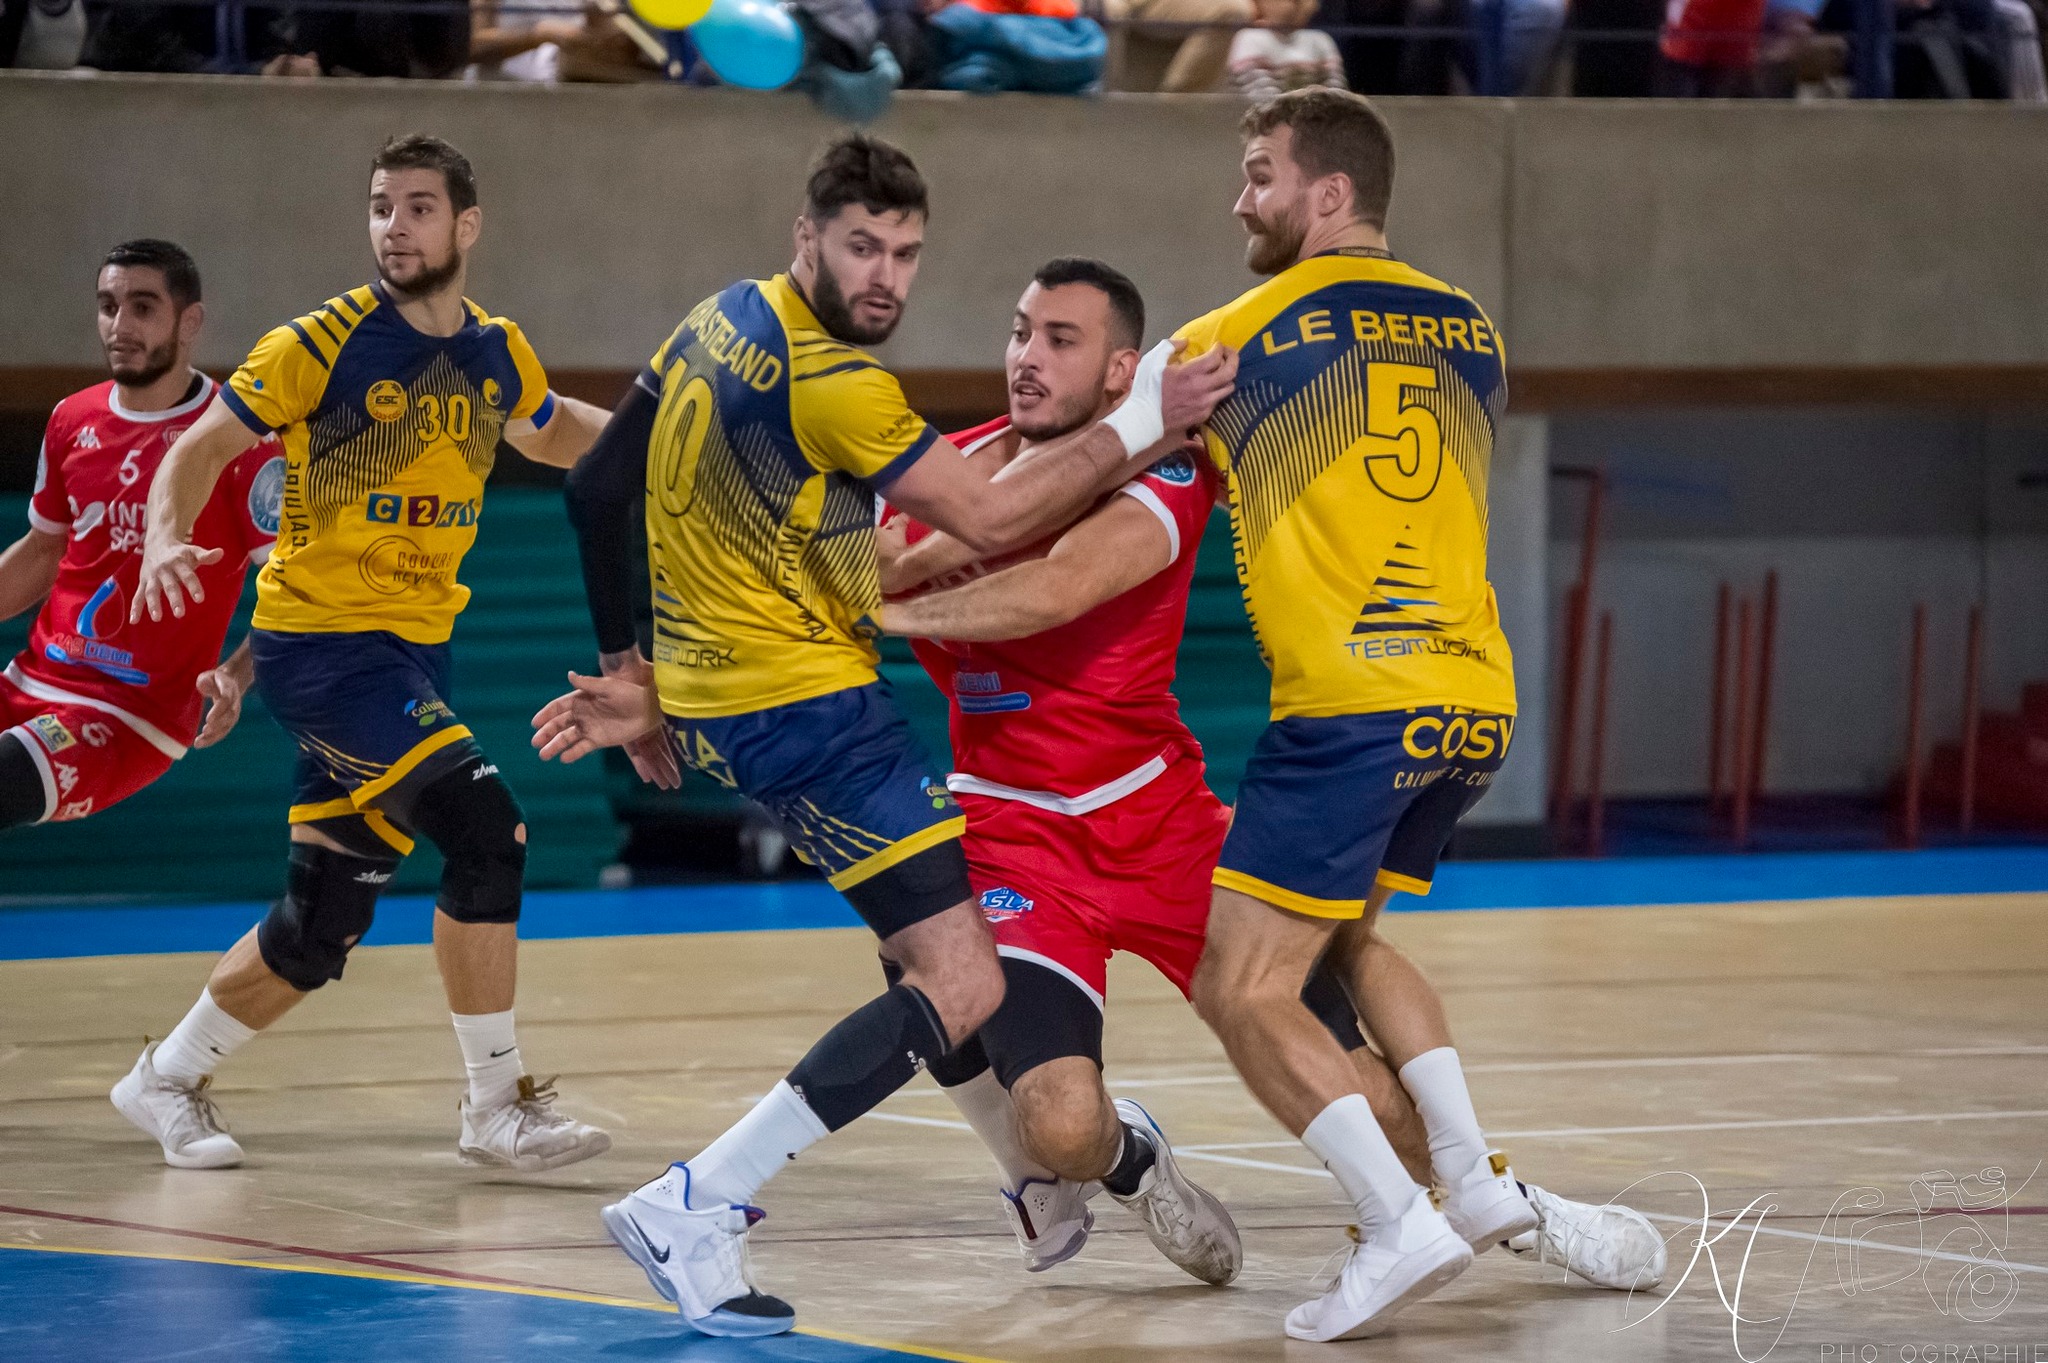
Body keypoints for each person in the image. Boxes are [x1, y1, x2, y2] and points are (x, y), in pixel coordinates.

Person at [532, 133, 1236, 1338]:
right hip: (816, 714)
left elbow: (602, 486)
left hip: (748, 704)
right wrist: (1144, 416)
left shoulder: (714, 320)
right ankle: (697, 1199)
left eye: (906, 254)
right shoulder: (841, 385)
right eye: (863, 247)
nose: (885, 279)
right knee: (959, 975)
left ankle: (1037, 1176)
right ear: (807, 236)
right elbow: (997, 512)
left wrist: (634, 671)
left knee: (932, 954)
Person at [877, 258, 1666, 1297]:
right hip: (1014, 833)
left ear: (1124, 372)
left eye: (1058, 339)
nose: (1025, 356)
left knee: (1378, 1097)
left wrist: (885, 605)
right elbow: (874, 551)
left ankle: (1513, 1208)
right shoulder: (962, 468)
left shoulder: (1163, 470)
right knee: (1053, 1115)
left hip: (1162, 823)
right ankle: (1126, 1162)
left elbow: (1054, 584)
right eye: (1018, 330)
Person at [113, 134, 614, 1178]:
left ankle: (162, 1076)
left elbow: (545, 426)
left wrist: (663, 449)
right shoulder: (320, 342)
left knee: (319, 920)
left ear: (465, 226)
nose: (396, 226)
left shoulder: (495, 349)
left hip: (416, 656)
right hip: (325, 653)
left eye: (420, 207)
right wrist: (166, 535)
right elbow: (195, 448)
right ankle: (494, 1106)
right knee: (490, 835)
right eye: (382, 206)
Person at [1168, 87, 1532, 1342]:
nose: (1240, 200)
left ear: (1327, 195)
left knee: (1240, 983)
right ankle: (1474, 1186)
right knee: (1344, 946)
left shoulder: (1232, 334)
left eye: (1259, 174)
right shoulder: (1473, 327)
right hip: (1473, 702)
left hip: (1351, 705)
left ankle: (1396, 1223)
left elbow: (1109, 467)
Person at [0, 240, 276, 832]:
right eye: (108, 305)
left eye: (143, 308)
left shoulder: (238, 439)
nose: (119, 326)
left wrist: (237, 674)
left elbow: (295, 585)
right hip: (32, 678)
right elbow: (43, 552)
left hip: (132, 715)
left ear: (190, 321)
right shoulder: (72, 418)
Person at [1228, 0, 1347, 99]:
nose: (1311, 5)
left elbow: (1337, 95)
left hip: (1316, 121)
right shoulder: (1250, 38)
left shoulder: (1321, 40)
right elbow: (1260, 98)